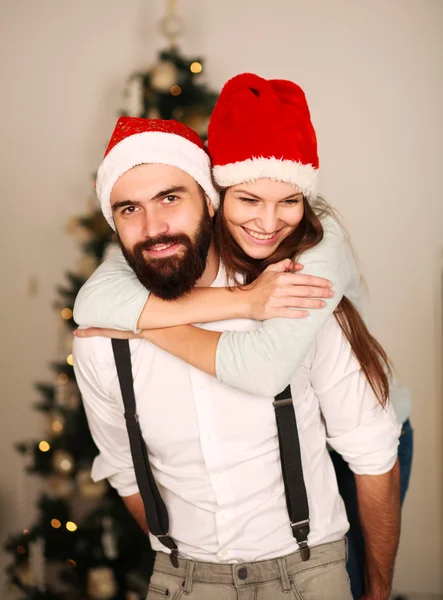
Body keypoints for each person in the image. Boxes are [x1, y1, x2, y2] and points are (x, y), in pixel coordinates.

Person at [73, 74, 402, 600]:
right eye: (129, 209)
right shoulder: (98, 337)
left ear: (209, 201)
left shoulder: (298, 297)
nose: (153, 226)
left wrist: (377, 592)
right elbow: (125, 472)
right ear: (115, 224)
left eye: (170, 198)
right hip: (180, 581)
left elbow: (373, 453)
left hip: (308, 574)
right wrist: (187, 566)